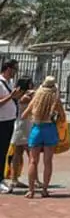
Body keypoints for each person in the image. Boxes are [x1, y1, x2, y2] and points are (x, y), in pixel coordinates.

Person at [24, 75, 66, 198]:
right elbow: (62, 117)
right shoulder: (55, 100)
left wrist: (35, 116)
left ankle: (31, 190)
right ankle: (45, 189)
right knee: (48, 161)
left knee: (33, 161)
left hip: (37, 128)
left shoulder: (37, 98)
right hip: (50, 129)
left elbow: (24, 114)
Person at [8, 77, 36, 192]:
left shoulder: (23, 95)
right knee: (30, 154)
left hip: (25, 125)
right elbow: (33, 102)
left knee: (19, 153)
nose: (32, 85)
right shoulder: (24, 97)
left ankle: (15, 178)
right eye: (30, 83)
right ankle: (33, 180)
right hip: (23, 126)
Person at [0, 59, 20, 193]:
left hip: (9, 120)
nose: (15, 72)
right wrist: (10, 96)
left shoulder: (10, 82)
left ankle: (1, 178)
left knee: (4, 151)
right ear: (8, 69)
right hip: (1, 121)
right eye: (14, 69)